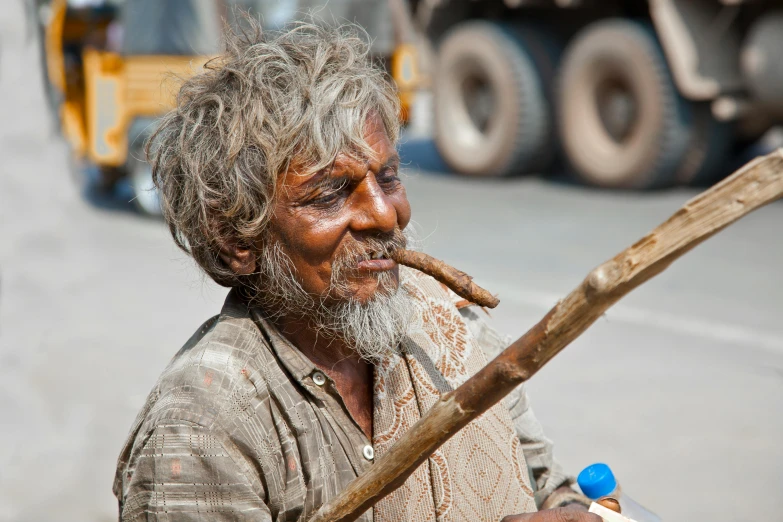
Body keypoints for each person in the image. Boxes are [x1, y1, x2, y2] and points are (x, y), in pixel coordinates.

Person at [113, 19, 601, 522]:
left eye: (387, 177)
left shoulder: (453, 329)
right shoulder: (205, 424)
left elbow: (547, 484)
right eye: (329, 193)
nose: (385, 215)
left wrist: (571, 510)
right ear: (236, 241)